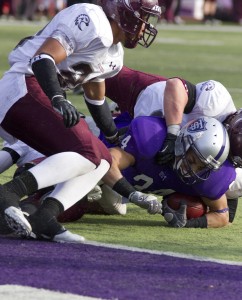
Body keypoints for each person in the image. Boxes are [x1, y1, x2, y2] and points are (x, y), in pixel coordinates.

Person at [0, 1, 161, 241]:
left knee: (102, 160)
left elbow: (96, 98)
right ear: (125, 14)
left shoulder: (114, 53)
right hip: (22, 85)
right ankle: (9, 193)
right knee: (86, 151)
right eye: (143, 19)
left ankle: (45, 217)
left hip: (37, 96)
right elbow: (42, 58)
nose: (144, 27)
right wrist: (58, 98)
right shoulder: (92, 19)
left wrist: (113, 135)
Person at [101, 114, 235, 228]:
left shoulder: (208, 177)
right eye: (192, 160)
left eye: (201, 168)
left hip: (115, 187)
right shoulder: (153, 138)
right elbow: (106, 161)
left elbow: (222, 215)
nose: (192, 171)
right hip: (96, 151)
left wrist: (189, 223)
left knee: (114, 206)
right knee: (93, 183)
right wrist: (132, 195)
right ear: (184, 140)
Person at [104, 66, 237, 165]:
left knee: (101, 146)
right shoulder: (217, 103)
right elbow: (175, 85)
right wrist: (172, 135)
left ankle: (117, 117)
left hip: (148, 134)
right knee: (94, 73)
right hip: (149, 96)